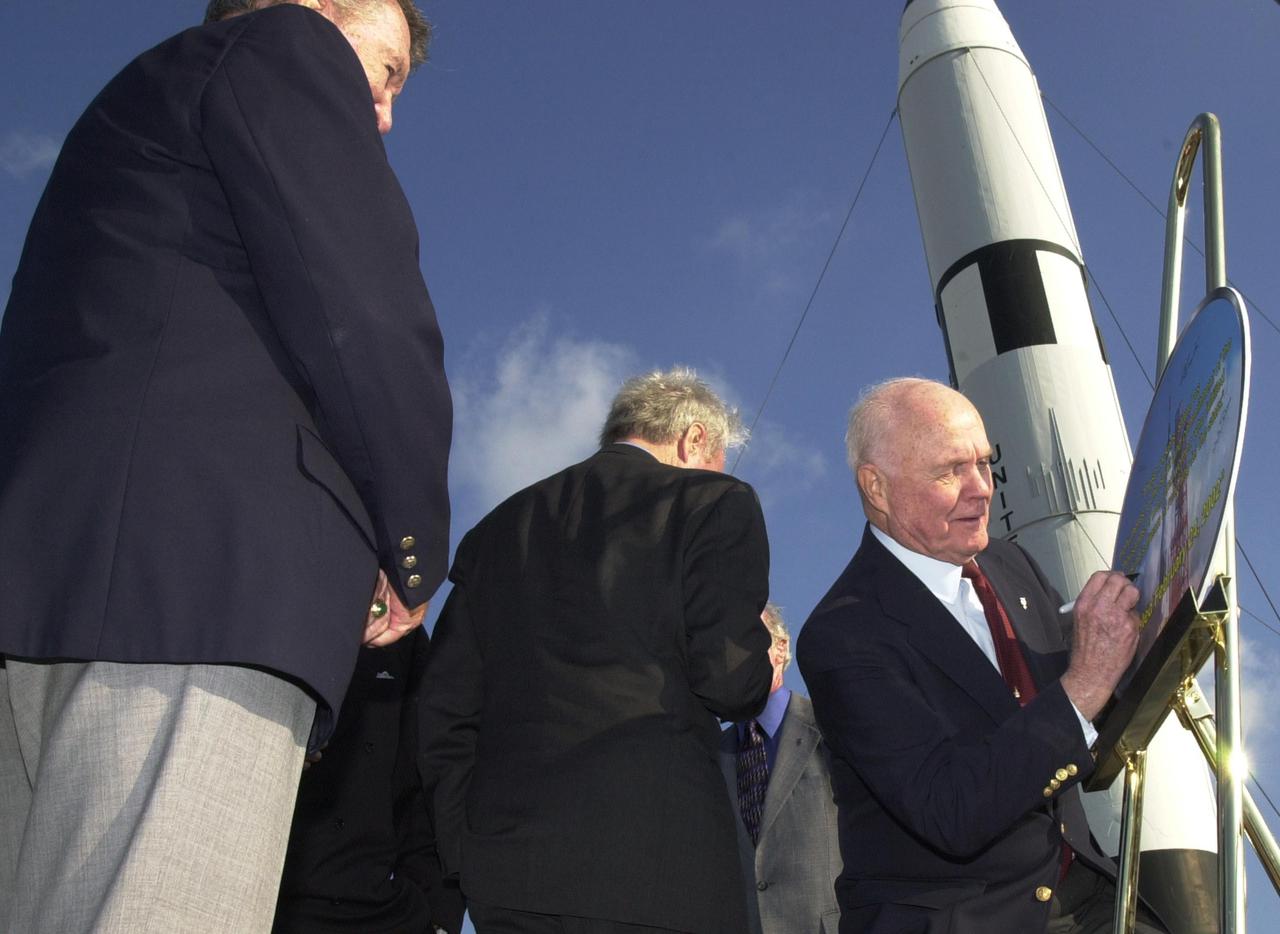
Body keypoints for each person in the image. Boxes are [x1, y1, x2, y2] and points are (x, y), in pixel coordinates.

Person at [0, 1, 451, 931]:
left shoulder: (137, 110)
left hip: (47, 586)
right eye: (388, 73)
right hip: (209, 591)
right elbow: (365, 310)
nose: (384, 114)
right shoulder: (288, 47)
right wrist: (413, 552)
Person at [796, 378, 1164, 934]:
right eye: (950, 471)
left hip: (1085, 894)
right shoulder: (844, 634)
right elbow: (952, 809)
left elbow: (1081, 707)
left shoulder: (1009, 565)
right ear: (877, 487)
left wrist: (1159, 613)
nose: (981, 489)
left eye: (985, 464)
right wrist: (1087, 682)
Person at [418, 367, 772, 934]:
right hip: (660, 873)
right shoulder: (715, 501)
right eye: (719, 458)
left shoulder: (494, 531)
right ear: (694, 439)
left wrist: (465, 852)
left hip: (505, 877)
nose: (720, 473)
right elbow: (733, 684)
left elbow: (444, 711)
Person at [272, 631, 466, 934]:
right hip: (265, 898)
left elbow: (425, 788)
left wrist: (440, 919)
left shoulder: (401, 633)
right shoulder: (272, 621)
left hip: (376, 908)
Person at [719, 604, 842, 934]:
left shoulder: (832, 728)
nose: (735, 655)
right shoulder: (710, 755)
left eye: (748, 640)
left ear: (781, 647)